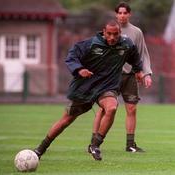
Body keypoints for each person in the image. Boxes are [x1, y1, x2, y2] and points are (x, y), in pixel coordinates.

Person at [34, 20, 143, 161]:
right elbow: (72, 56)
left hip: (107, 87)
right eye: (109, 34)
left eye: (115, 34)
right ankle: (40, 149)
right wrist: (80, 69)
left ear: (120, 33)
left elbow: (134, 56)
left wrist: (138, 70)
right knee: (66, 120)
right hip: (86, 88)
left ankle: (95, 145)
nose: (112, 38)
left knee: (111, 108)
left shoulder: (126, 44)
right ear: (103, 32)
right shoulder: (90, 44)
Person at [88, 2, 152, 154]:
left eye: (125, 13)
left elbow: (143, 53)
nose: (122, 15)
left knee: (132, 109)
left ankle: (130, 144)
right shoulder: (109, 31)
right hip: (111, 77)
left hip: (130, 77)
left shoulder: (137, 32)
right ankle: (93, 144)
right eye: (120, 13)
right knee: (104, 109)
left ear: (129, 14)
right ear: (116, 14)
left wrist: (147, 73)